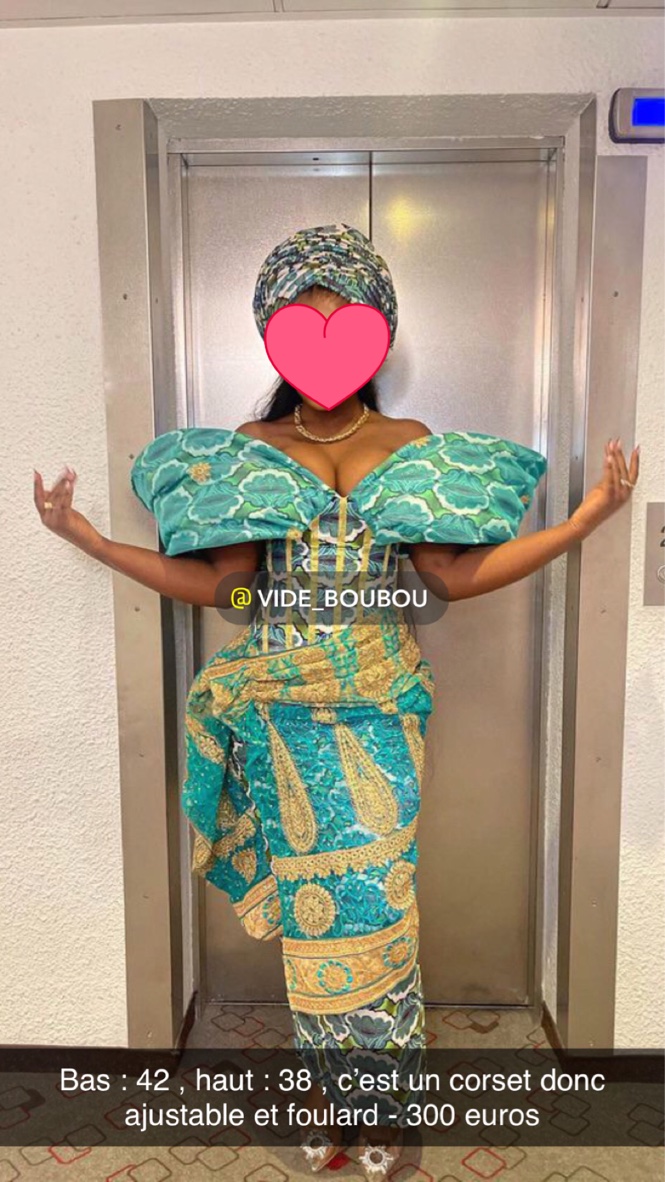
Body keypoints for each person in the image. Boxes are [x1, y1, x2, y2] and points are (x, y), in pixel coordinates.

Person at [34, 223, 639, 1178]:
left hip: (380, 706)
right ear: (273, 337)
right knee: (314, 911)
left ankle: (381, 1101)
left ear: (376, 334)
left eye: (341, 318)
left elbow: (450, 578)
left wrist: (583, 521)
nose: (320, 341)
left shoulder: (411, 445)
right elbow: (227, 588)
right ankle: (325, 1093)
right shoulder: (252, 449)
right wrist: (92, 541)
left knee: (380, 903)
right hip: (285, 712)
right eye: (300, 322)